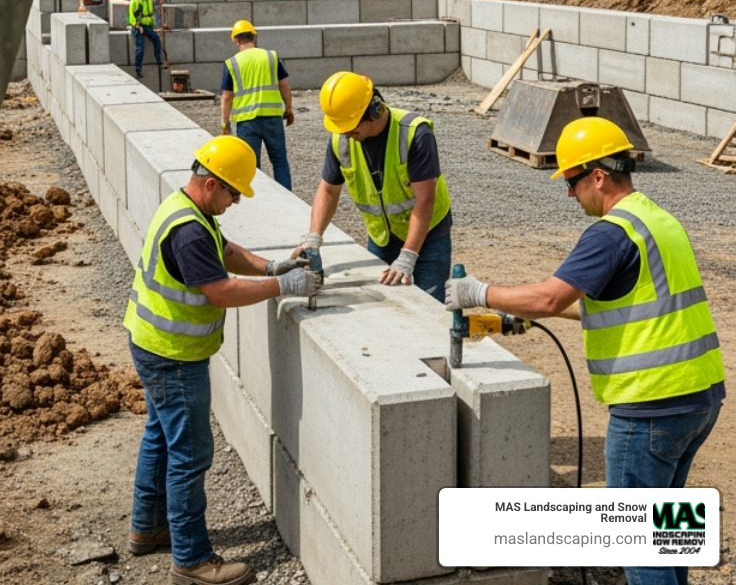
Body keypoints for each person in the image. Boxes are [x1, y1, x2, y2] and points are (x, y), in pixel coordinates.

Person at [446, 117, 723, 585]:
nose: (570, 194)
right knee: (664, 532)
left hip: (649, 405)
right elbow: (622, 303)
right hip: (699, 396)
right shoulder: (657, 219)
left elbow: (551, 297)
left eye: (573, 181)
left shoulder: (609, 233)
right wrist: (520, 315)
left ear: (598, 175)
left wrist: (479, 292)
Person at [124, 135, 321, 585]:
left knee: (160, 435)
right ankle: (191, 561)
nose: (235, 202)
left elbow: (226, 252)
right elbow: (221, 290)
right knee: (190, 455)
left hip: (153, 344)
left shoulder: (186, 207)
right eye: (233, 192)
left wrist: (272, 267)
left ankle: (147, 526)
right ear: (211, 184)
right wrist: (284, 288)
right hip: (174, 356)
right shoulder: (190, 230)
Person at [296, 71, 452, 300]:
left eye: (352, 127)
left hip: (428, 235)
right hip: (382, 237)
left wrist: (408, 255)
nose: (347, 134)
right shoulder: (341, 140)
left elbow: (425, 199)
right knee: (385, 303)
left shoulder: (415, 134)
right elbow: (328, 190)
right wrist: (313, 238)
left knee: (428, 302)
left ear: (375, 110)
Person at [219, 20, 293, 189]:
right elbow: (284, 86)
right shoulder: (271, 57)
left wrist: (225, 124)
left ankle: (258, 201)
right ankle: (288, 198)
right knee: (280, 160)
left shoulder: (232, 63)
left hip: (246, 122)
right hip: (273, 118)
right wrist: (288, 109)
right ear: (254, 36)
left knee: (252, 165)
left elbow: (227, 97)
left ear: (236, 40)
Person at [129, 0, 166, 82]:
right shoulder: (136, 0)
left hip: (147, 26)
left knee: (156, 39)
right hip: (138, 26)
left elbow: (150, 9)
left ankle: (159, 61)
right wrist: (137, 25)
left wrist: (159, 1)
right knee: (140, 48)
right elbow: (133, 15)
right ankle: (138, 69)